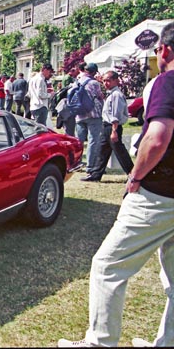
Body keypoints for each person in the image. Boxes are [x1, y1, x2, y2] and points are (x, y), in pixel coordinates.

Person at [58, 21, 174, 349]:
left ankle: (100, 343)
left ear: (163, 50)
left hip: (159, 193)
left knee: (108, 266)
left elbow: (158, 136)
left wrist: (135, 178)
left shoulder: (168, 81)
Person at [82, 71, 134, 182]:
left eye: (109, 81)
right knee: (101, 151)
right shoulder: (110, 94)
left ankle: (132, 173)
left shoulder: (116, 95)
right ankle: (96, 174)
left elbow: (116, 114)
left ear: (116, 81)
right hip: (106, 126)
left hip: (112, 126)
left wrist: (114, 131)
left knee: (120, 151)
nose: (106, 83)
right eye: (104, 81)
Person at [75, 62, 104, 180]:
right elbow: (100, 96)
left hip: (79, 114)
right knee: (93, 140)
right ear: (93, 72)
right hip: (93, 114)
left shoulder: (77, 81)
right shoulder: (94, 83)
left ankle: (76, 163)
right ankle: (90, 166)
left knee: (79, 141)